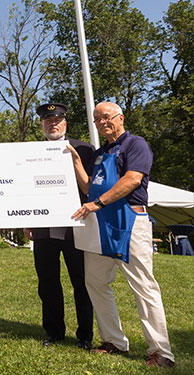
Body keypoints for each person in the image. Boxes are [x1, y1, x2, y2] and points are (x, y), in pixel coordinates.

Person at [70, 102, 175, 368]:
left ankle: (161, 352)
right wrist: (75, 161)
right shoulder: (98, 152)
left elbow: (132, 179)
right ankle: (114, 342)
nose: (101, 122)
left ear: (120, 117)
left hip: (129, 220)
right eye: (96, 119)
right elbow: (88, 185)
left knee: (144, 286)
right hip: (100, 224)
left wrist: (98, 203)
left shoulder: (135, 144)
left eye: (105, 117)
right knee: (95, 282)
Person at [23, 103, 94, 349]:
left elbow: (91, 188)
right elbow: (25, 189)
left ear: (65, 122)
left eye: (57, 120)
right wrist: (26, 218)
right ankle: (53, 332)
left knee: (82, 282)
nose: (52, 124)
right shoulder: (30, 152)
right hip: (44, 227)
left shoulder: (85, 149)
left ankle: (85, 335)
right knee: (48, 282)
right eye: (47, 121)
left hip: (78, 225)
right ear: (42, 124)